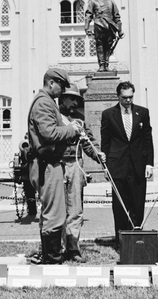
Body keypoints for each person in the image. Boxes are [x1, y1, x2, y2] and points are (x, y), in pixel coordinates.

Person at [27, 67, 83, 264]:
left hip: (50, 163)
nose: (62, 90)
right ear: (51, 83)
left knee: (55, 212)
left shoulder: (46, 102)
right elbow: (49, 134)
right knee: (54, 213)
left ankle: (51, 256)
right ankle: (52, 259)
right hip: (46, 164)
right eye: (61, 85)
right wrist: (71, 129)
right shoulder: (43, 103)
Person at [101, 81, 154, 242]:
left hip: (138, 165)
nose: (128, 101)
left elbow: (147, 139)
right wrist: (105, 167)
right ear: (118, 97)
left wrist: (149, 163)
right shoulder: (109, 114)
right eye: (125, 98)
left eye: (131, 97)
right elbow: (106, 141)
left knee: (138, 204)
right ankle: (122, 240)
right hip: (117, 166)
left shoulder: (142, 113)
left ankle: (136, 239)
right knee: (120, 206)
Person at [58, 83, 106, 262]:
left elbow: (88, 143)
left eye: (77, 100)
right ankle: (58, 248)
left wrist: (98, 155)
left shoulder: (80, 118)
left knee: (76, 209)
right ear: (62, 98)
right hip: (58, 165)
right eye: (72, 99)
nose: (74, 103)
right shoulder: (54, 116)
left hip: (76, 165)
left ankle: (73, 248)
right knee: (59, 209)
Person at [84, 0, 123, 72]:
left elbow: (117, 16)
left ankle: (106, 64)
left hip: (110, 27)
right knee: (100, 46)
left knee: (108, 46)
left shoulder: (111, 2)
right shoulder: (93, 1)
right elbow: (88, 15)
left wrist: (120, 30)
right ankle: (101, 65)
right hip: (99, 25)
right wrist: (86, 27)